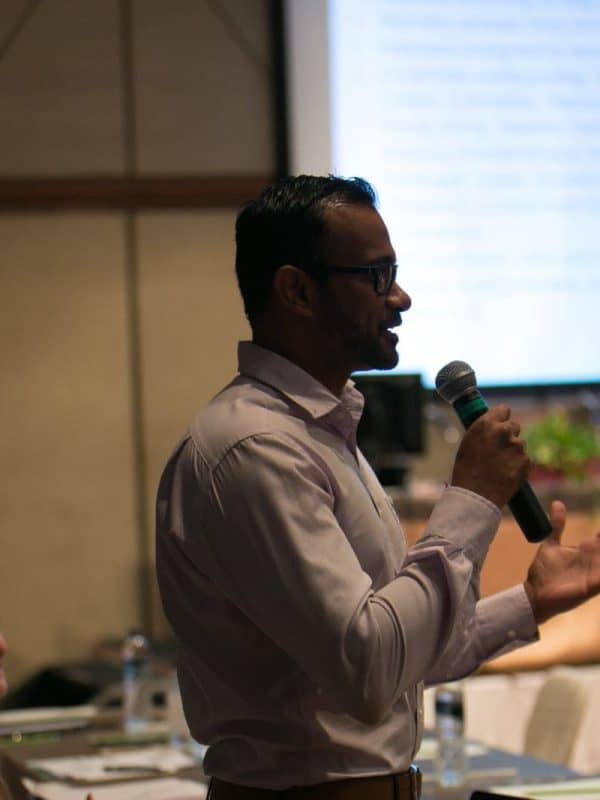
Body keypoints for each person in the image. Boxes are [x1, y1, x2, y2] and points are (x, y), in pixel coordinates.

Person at [155, 175, 600, 800]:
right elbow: (368, 668)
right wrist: (471, 498)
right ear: (297, 291)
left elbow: (403, 656)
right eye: (376, 276)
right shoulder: (254, 449)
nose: (401, 298)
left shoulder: (320, 434)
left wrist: (530, 602)